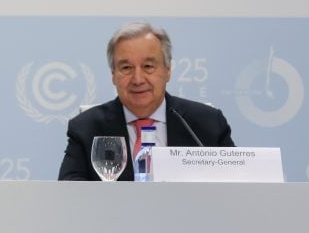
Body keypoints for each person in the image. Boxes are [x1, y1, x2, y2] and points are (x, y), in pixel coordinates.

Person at [58, 21, 234, 181]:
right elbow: (70, 195)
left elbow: (236, 188)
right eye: (126, 68)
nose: (138, 79)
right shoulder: (86, 129)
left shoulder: (207, 124)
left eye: (148, 66)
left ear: (168, 70)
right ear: (113, 75)